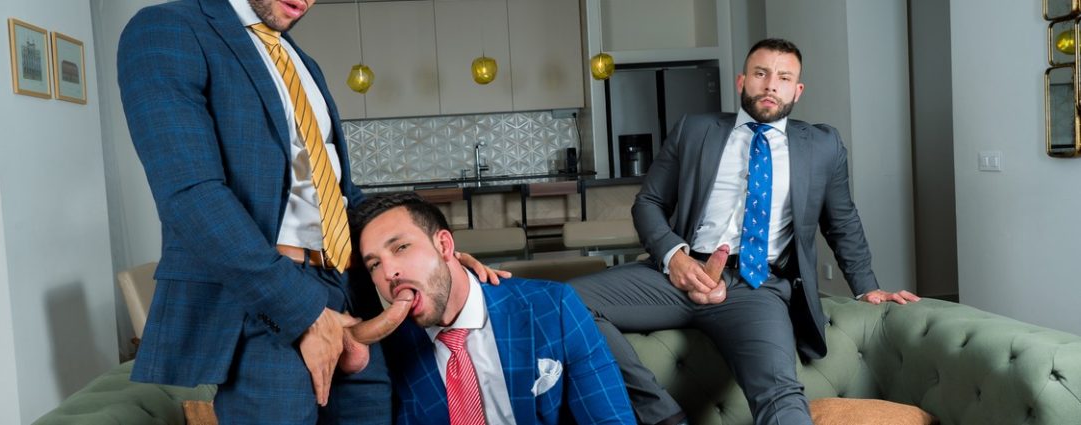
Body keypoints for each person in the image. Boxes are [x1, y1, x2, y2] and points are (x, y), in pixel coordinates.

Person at [117, 1, 501, 423]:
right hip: (262, 300)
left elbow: (340, 195)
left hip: (347, 289)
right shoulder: (167, 29)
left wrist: (430, 254)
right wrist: (302, 311)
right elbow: (191, 196)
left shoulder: (301, 60)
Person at [568, 38, 921, 425]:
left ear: (797, 90)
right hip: (679, 276)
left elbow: (842, 222)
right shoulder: (694, 130)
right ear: (742, 81)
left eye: (784, 77)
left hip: (756, 286)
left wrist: (866, 287)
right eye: (761, 73)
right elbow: (648, 203)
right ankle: (663, 416)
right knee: (565, 302)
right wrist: (675, 258)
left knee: (780, 395)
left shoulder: (823, 146)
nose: (771, 85)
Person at [349, 192, 636, 424]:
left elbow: (610, 419)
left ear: (444, 246)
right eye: (374, 264)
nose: (389, 273)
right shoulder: (389, 350)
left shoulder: (554, 307)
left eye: (401, 248)